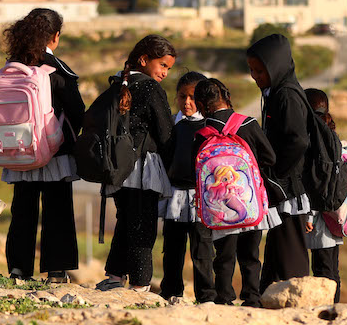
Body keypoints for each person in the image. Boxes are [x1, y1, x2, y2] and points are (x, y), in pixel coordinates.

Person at [1, 8, 85, 284]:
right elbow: (77, 110)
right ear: (55, 36)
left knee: (23, 210)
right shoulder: (57, 70)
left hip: (18, 150)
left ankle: (18, 269)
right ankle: (57, 271)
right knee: (57, 209)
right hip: (53, 151)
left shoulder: (12, 66)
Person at [97, 34, 177, 292]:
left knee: (125, 220)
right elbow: (165, 133)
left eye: (168, 68)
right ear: (144, 60)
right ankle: (141, 284)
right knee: (143, 225)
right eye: (162, 65)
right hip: (142, 168)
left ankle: (115, 276)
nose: (164, 72)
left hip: (117, 168)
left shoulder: (117, 84)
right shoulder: (151, 89)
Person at [193, 77, 279, 305]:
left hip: (219, 208)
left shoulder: (202, 133)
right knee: (250, 256)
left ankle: (224, 298)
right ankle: (252, 297)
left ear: (200, 105)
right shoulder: (248, 124)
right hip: (250, 201)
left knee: (223, 257)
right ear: (227, 97)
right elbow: (270, 157)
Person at [245, 33, 312, 291]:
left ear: (276, 67)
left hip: (288, 187)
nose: (255, 76)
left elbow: (298, 141)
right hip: (281, 186)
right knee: (277, 250)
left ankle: (296, 304)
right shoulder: (275, 93)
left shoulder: (287, 95)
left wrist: (276, 172)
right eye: (252, 70)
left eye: (260, 70)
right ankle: (267, 299)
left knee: (289, 253)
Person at [158, 71, 216, 302]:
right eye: (182, 97)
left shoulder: (210, 126)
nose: (187, 102)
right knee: (172, 248)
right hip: (174, 195)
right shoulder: (173, 124)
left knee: (202, 249)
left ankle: (207, 296)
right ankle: (171, 292)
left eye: (192, 97)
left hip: (202, 198)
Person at [304, 88, 343, 303]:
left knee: (323, 268)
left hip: (320, 212)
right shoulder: (331, 134)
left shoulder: (315, 136)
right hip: (335, 210)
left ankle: (329, 311)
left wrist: (310, 214)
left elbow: (317, 179)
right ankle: (333, 308)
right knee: (331, 267)